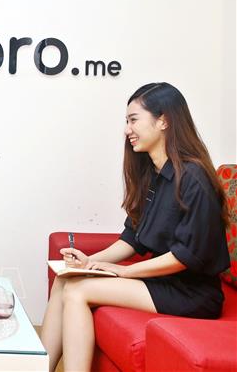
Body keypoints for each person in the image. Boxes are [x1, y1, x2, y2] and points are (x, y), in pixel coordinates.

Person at [40, 82, 230, 372]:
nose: (127, 129)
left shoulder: (194, 178)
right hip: (163, 283)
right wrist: (90, 262)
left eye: (133, 120)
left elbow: (185, 256)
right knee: (65, 280)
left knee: (77, 293)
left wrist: (125, 271)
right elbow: (132, 238)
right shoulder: (152, 174)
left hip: (192, 293)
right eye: (126, 121)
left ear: (163, 120)